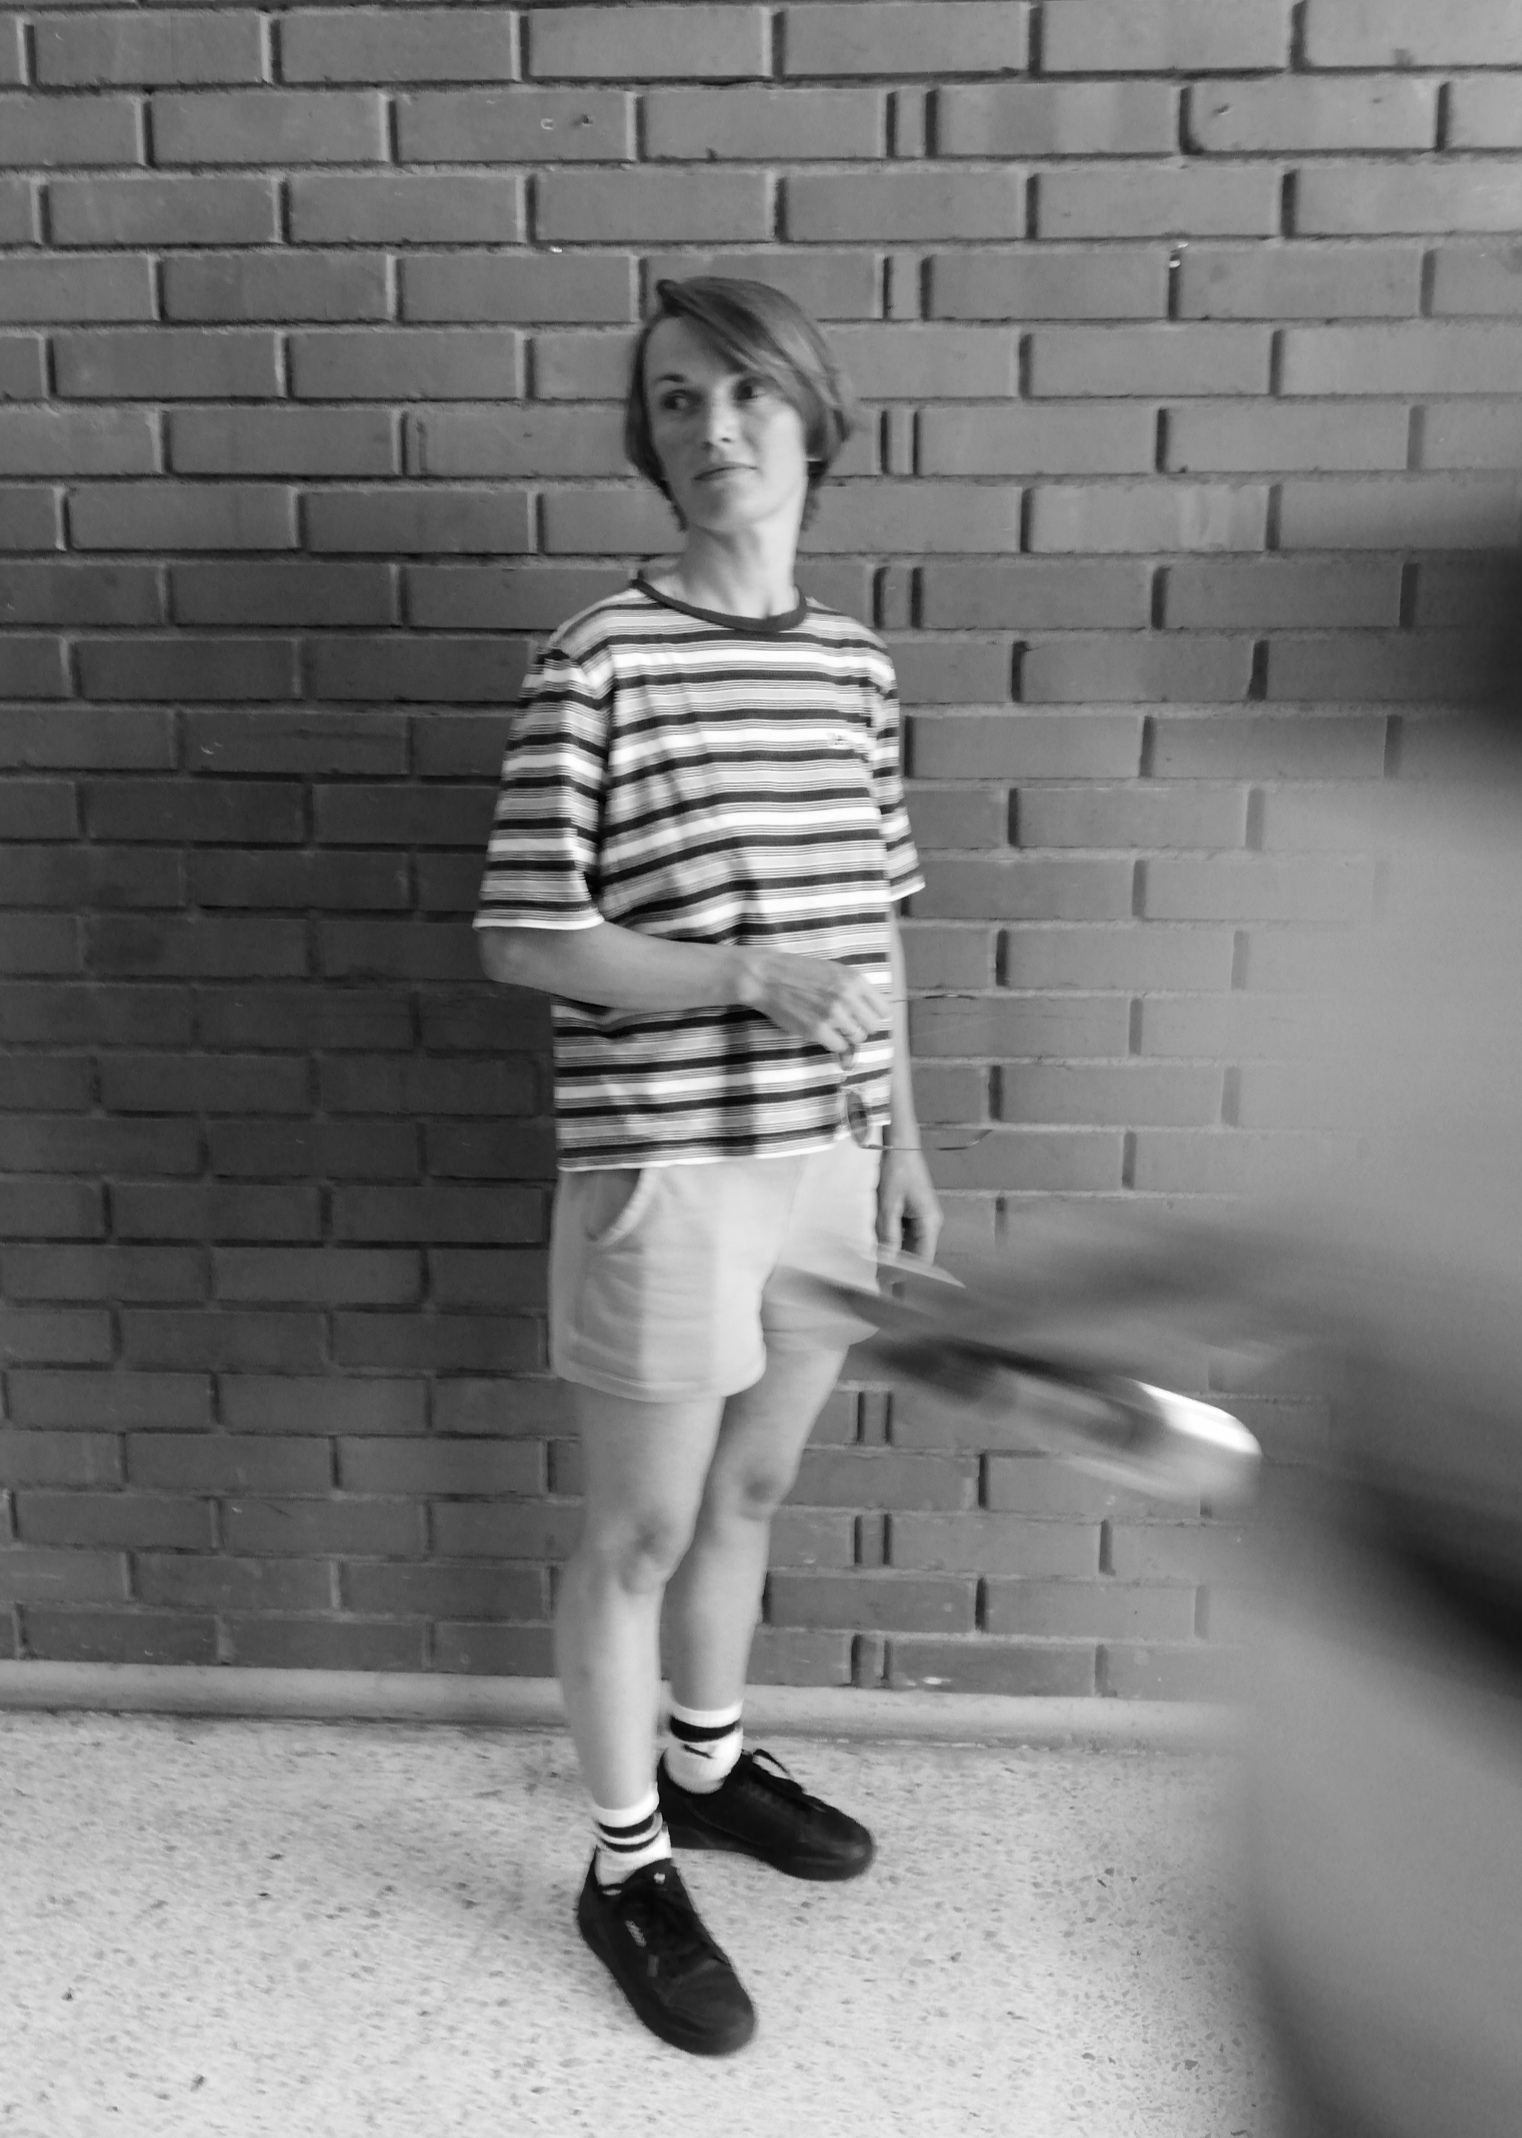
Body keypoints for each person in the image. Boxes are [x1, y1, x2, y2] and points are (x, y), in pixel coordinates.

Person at [474, 276, 942, 2056]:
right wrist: (744, 975)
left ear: (812, 417)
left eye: (744, 391)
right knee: (643, 1528)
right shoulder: (598, 659)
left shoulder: (852, 667)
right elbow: (525, 935)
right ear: (648, 443)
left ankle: (710, 1757)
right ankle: (623, 1864)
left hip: (827, 1162)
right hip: (665, 1167)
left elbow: (878, 933)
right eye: (676, 401)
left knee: (751, 1490)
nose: (713, 427)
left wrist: (903, 1142)